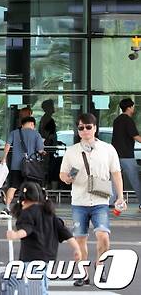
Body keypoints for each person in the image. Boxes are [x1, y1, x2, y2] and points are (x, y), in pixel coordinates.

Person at [59, 113, 126, 287]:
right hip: (79, 201)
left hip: (100, 200)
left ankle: (100, 266)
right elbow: (63, 173)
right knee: (80, 239)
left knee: (103, 236)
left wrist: (120, 196)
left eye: (88, 127)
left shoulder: (108, 149)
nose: (85, 130)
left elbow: (116, 173)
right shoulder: (72, 151)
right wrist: (67, 178)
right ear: (78, 130)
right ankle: (83, 274)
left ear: (95, 128)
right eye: (81, 127)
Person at [6, 182, 81, 295]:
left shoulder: (27, 213)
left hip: (32, 257)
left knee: (36, 288)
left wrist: (15, 235)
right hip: (49, 258)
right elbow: (65, 232)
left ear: (23, 199)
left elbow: (26, 230)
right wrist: (76, 248)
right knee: (41, 283)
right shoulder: (50, 213)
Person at [0, 116, 45, 215]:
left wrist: (4, 159)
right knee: (33, 187)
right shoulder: (36, 134)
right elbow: (40, 150)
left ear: (22, 124)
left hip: (16, 166)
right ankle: (31, 208)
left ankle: (7, 208)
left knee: (13, 187)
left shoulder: (14, 133)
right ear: (32, 124)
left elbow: (7, 146)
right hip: (30, 167)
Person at [111, 98, 141, 211]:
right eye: (133, 106)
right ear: (129, 107)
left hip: (114, 155)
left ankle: (111, 202)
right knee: (135, 180)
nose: (134, 109)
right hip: (127, 155)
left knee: (114, 179)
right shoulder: (128, 120)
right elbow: (135, 136)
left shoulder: (117, 120)